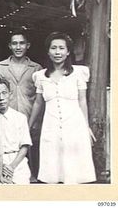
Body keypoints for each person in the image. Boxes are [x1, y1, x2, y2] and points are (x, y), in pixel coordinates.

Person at [29, 32, 96, 184]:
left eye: (61, 48)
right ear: (48, 51)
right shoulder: (40, 76)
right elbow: (38, 103)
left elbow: (82, 101)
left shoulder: (79, 73)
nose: (57, 52)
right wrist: (29, 125)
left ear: (68, 52)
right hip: (51, 126)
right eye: (53, 48)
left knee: (73, 171)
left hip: (74, 125)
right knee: (52, 170)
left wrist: (86, 127)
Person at [0, 29, 42, 181]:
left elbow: (40, 96)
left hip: (30, 114)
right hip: (6, 115)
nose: (18, 47)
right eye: (14, 44)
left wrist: (34, 119)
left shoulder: (36, 68)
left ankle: (32, 178)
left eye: (22, 43)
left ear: (28, 45)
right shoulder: (0, 66)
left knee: (31, 148)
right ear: (9, 46)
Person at [0, 79, 32, 184]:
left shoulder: (20, 118)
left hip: (17, 162)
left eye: (4, 93)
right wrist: (0, 167)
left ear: (9, 94)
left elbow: (25, 146)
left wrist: (11, 167)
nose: (1, 98)